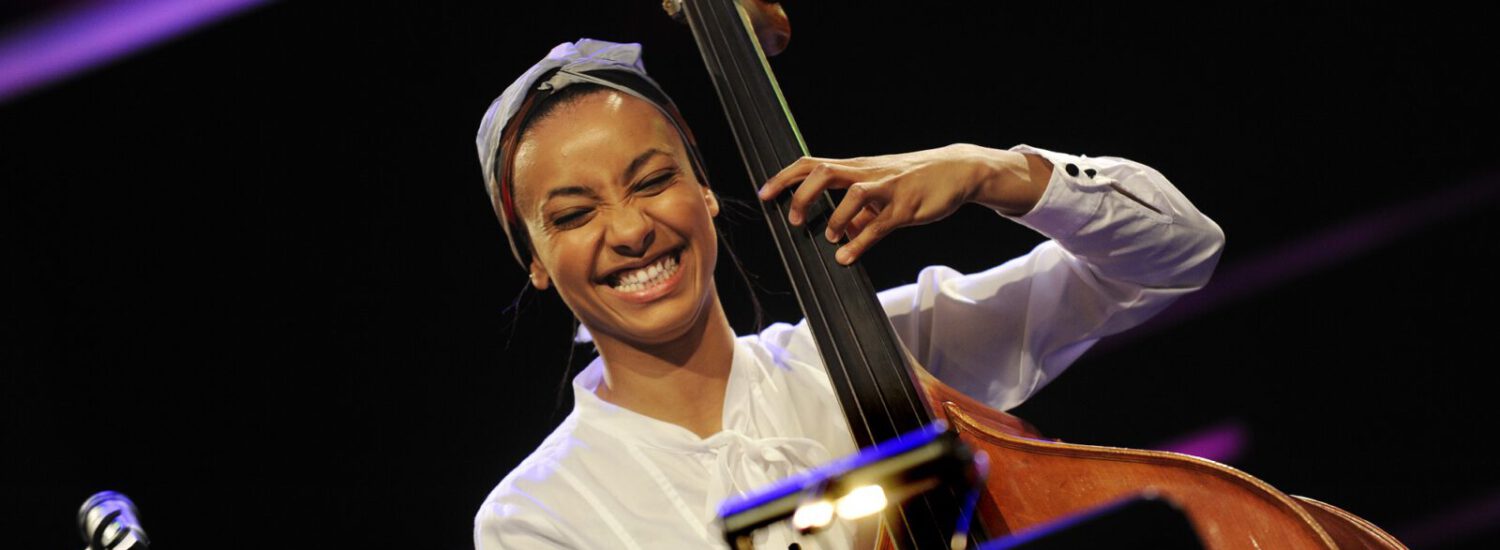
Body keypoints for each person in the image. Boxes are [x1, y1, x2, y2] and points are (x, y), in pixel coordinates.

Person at [471, 39, 1224, 549]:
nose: (630, 229)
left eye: (654, 180)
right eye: (573, 215)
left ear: (704, 192)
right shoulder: (535, 516)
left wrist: (990, 172)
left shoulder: (875, 357)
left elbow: (1177, 252)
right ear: (534, 260)